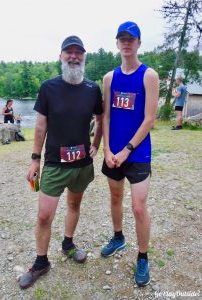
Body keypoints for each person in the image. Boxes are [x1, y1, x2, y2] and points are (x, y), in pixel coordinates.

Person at [18, 35, 103, 289]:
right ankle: (41, 261)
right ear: (61, 56)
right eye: (69, 52)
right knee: (44, 216)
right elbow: (41, 126)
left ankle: (68, 244)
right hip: (55, 164)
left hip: (81, 165)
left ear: (84, 58)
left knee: (74, 206)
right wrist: (35, 160)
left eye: (79, 53)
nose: (74, 56)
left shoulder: (92, 89)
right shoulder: (48, 88)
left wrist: (96, 144)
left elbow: (100, 119)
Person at [101, 21, 159, 287]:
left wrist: (126, 150)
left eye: (131, 39)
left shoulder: (149, 75)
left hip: (137, 154)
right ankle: (118, 237)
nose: (126, 43)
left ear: (138, 43)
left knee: (138, 206)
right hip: (113, 153)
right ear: (117, 43)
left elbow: (149, 120)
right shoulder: (109, 78)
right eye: (121, 39)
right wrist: (107, 149)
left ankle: (143, 256)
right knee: (115, 198)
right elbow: (106, 116)